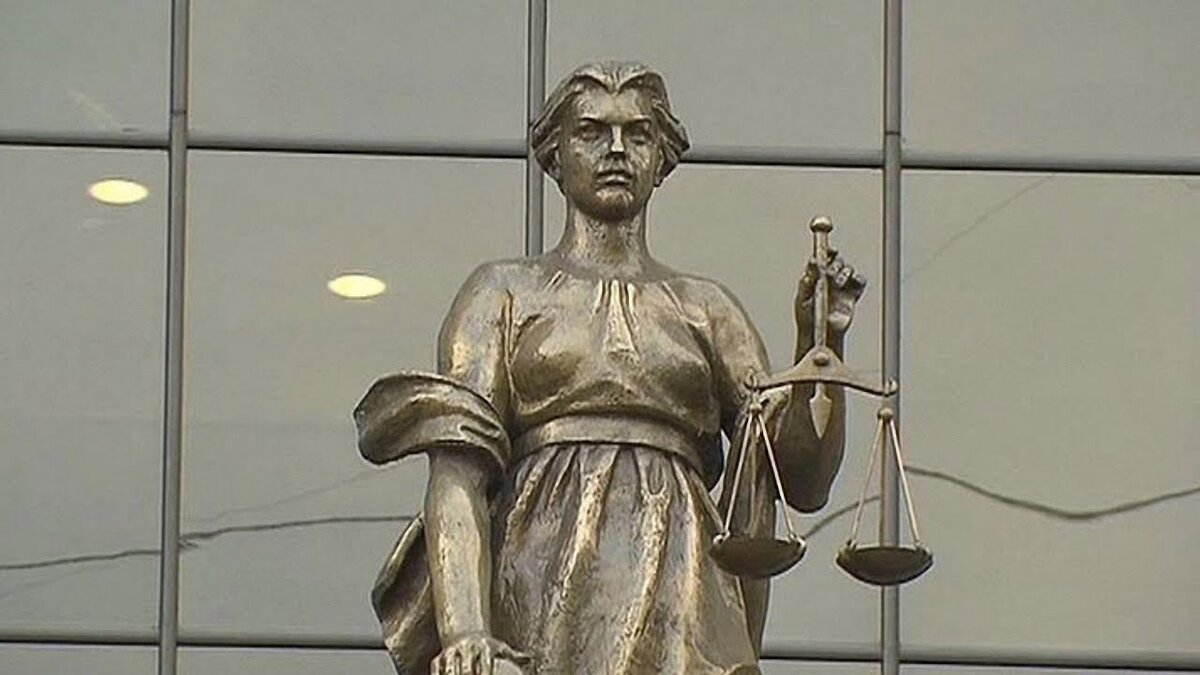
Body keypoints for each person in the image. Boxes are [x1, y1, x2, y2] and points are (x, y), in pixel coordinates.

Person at [355, 61, 865, 675]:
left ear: (661, 159)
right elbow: (458, 471)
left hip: (682, 591)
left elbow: (799, 477)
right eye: (592, 132)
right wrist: (466, 631)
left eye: (638, 134)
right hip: (540, 578)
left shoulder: (706, 307)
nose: (617, 149)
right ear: (556, 154)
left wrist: (823, 348)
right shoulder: (502, 293)